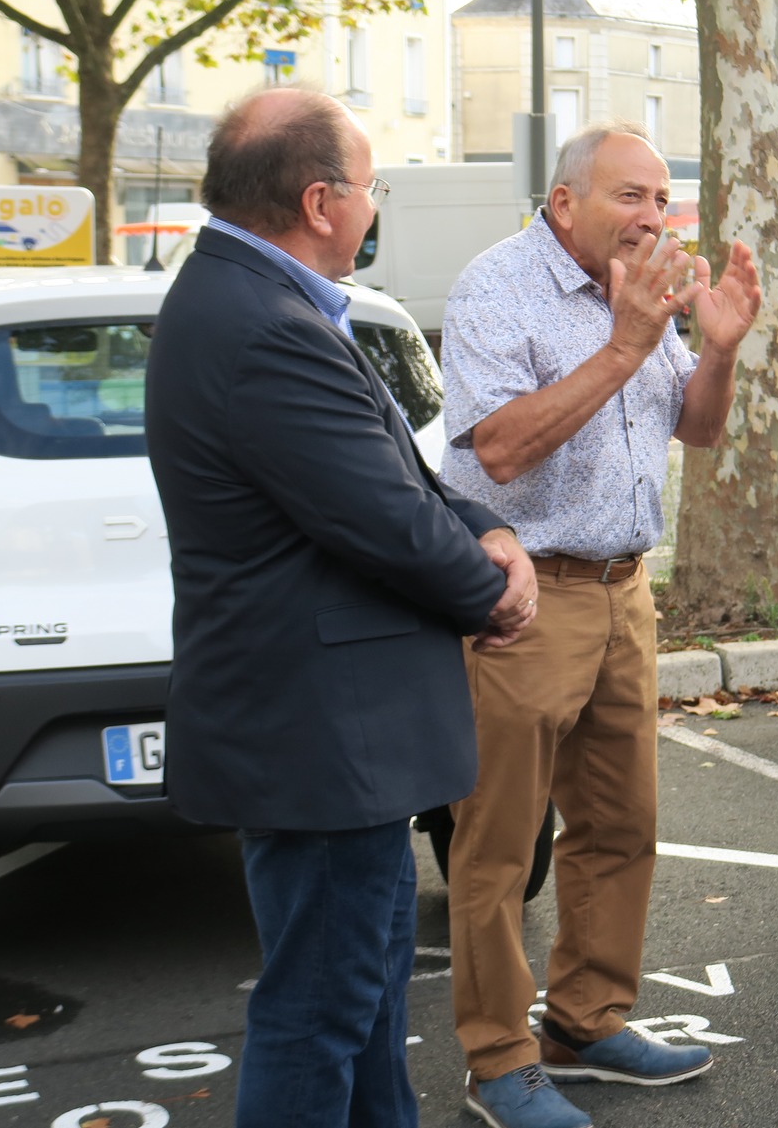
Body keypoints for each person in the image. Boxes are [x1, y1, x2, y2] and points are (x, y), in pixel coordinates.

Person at [145, 87, 537, 1128]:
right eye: (372, 188)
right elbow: (383, 523)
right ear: (321, 202)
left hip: (333, 737)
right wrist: (491, 590)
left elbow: (404, 481)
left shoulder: (259, 305)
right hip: (324, 740)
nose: (376, 206)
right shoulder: (261, 325)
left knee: (357, 1005)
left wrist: (487, 530)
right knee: (319, 1012)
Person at [439, 120, 763, 1128]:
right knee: (497, 847)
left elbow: (697, 427)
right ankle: (497, 1059)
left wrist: (713, 349)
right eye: (632, 196)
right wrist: (627, 341)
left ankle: (582, 1021)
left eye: (661, 197)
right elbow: (496, 450)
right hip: (524, 594)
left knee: (620, 825)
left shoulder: (646, 286)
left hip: (627, 587)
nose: (654, 216)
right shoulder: (495, 287)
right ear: (564, 200)